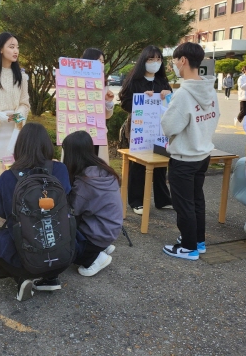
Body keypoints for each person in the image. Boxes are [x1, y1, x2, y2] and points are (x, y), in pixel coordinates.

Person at [0, 123, 71, 301]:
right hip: (62, 252)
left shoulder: (8, 177)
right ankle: (50, 276)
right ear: (47, 145)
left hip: (25, 251)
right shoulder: (60, 170)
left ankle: (22, 276)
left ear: (19, 147)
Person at [161, 42, 219, 260]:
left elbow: (169, 127)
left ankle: (188, 247)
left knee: (183, 203)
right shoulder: (209, 90)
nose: (174, 65)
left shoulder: (184, 94)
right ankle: (198, 240)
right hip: (202, 154)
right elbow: (215, 117)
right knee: (196, 200)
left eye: (175, 61)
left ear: (183, 60)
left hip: (184, 158)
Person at [118, 45, 173, 215]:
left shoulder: (162, 81)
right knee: (138, 164)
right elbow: (124, 102)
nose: (155, 63)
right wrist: (141, 98)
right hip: (139, 128)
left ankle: (163, 200)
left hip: (160, 129)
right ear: (144, 61)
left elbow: (171, 103)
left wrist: (167, 94)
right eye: (151, 59)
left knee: (160, 163)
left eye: (158, 59)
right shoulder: (134, 80)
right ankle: (136, 201)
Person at [62, 131, 122, 277]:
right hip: (111, 227)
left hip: (99, 232)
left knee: (62, 247)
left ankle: (95, 257)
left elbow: (72, 210)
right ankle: (100, 247)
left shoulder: (85, 182)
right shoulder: (102, 169)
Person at [81, 48, 114, 162]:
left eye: (103, 62)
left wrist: (108, 102)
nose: (101, 64)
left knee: (95, 165)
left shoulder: (103, 85)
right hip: (78, 134)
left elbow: (106, 116)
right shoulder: (76, 83)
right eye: (97, 60)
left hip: (97, 134)